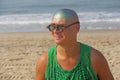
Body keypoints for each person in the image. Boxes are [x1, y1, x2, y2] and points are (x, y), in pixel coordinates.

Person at [35, 8, 114, 80]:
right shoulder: (45, 61)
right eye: (52, 27)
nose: (55, 31)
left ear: (77, 27)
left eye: (60, 27)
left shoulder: (94, 58)